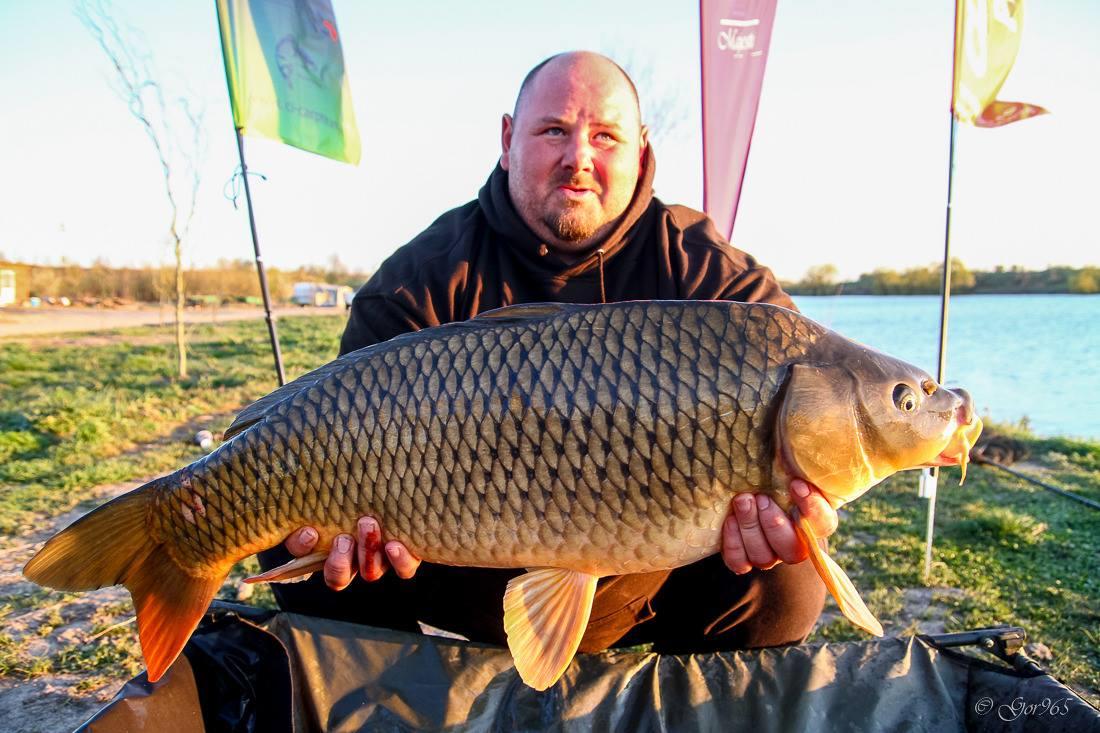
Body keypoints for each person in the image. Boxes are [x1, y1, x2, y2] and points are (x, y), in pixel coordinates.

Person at [259, 51, 837, 654]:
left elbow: (810, 446)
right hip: (454, 575)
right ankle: (402, 705)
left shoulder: (720, 287)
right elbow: (324, 427)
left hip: (649, 586)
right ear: (509, 140)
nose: (578, 158)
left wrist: (807, 516)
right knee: (299, 539)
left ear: (640, 150)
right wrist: (352, 540)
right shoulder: (417, 284)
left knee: (787, 576)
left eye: (605, 136)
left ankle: (685, 710)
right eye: (554, 130)